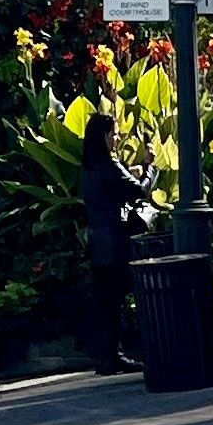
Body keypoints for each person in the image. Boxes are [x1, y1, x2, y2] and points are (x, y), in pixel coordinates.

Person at [75, 108, 155, 375]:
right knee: (120, 297)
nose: (117, 140)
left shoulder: (88, 165)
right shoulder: (109, 164)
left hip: (97, 242)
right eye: (114, 135)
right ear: (104, 136)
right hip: (115, 242)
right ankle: (117, 354)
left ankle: (107, 355)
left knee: (107, 301)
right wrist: (149, 168)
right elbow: (137, 191)